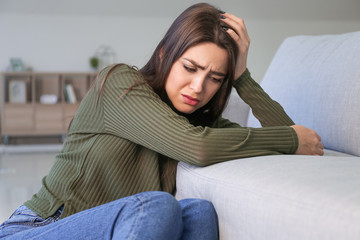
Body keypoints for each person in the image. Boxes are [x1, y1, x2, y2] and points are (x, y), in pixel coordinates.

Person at [0, 2, 324, 239]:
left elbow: (297, 139)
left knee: (198, 212)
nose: (198, 87)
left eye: (215, 77)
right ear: (163, 54)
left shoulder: (198, 123)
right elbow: (197, 147)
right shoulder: (119, 82)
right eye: (190, 67)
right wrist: (292, 140)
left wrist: (242, 77)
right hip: (38, 229)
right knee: (155, 207)